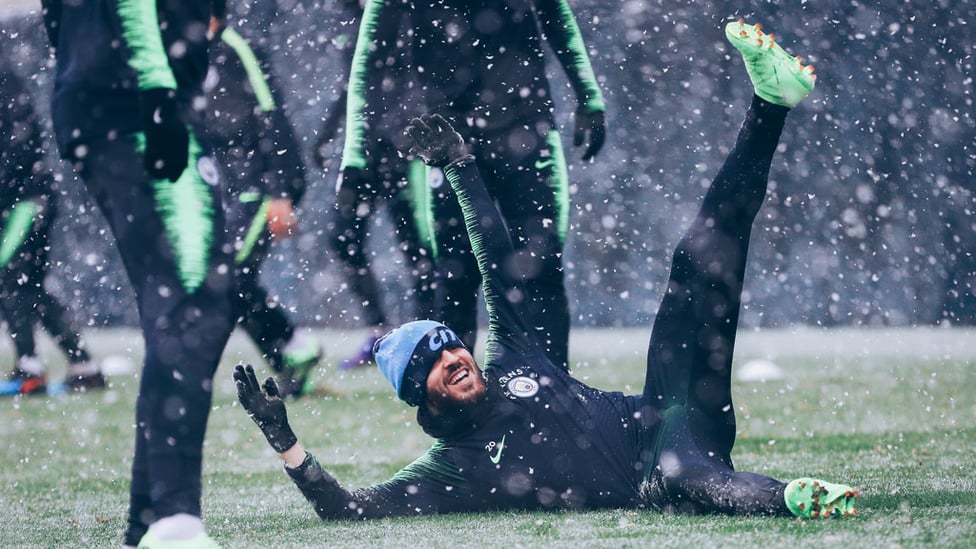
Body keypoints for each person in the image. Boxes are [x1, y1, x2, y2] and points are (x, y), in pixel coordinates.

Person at [235, 21, 859, 521]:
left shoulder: (511, 355)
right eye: (432, 363)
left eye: (450, 347)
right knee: (695, 482)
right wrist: (284, 441)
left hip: (670, 402)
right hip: (658, 470)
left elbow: (492, 257)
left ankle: (770, 104)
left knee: (696, 263)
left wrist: (459, 165)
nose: (453, 358)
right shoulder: (454, 468)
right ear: (418, 395)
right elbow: (349, 511)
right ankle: (789, 497)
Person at [42, 0, 233, 546]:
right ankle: (172, 518)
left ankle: (151, 521)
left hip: (107, 99)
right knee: (193, 302)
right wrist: (157, 94)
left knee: (186, 305)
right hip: (137, 104)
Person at [341, 0, 608, 370]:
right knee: (455, 279)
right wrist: (355, 156)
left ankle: (553, 406)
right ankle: (461, 421)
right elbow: (370, 58)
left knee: (539, 272)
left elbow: (555, 13)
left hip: (524, 128)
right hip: (450, 135)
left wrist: (589, 96)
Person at [206, 1, 323, 397]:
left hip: (263, 184)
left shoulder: (235, 47)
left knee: (226, 275)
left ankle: (286, 349)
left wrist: (280, 194)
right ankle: (291, 351)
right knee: (229, 280)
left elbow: (273, 116)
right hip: (230, 190)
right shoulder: (188, 59)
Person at [313, 0, 436, 370]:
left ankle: (428, 339)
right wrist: (328, 132)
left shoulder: (412, 13)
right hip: (366, 151)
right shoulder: (348, 16)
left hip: (408, 149)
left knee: (419, 247)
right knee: (342, 237)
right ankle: (378, 332)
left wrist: (410, 129)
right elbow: (355, 84)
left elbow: (427, 75)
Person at [0, 57, 106, 396]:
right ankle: (84, 366)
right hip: (22, 197)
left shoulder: (5, 78)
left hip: (26, 200)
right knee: (29, 283)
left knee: (11, 276)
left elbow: (20, 145)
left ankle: (29, 366)